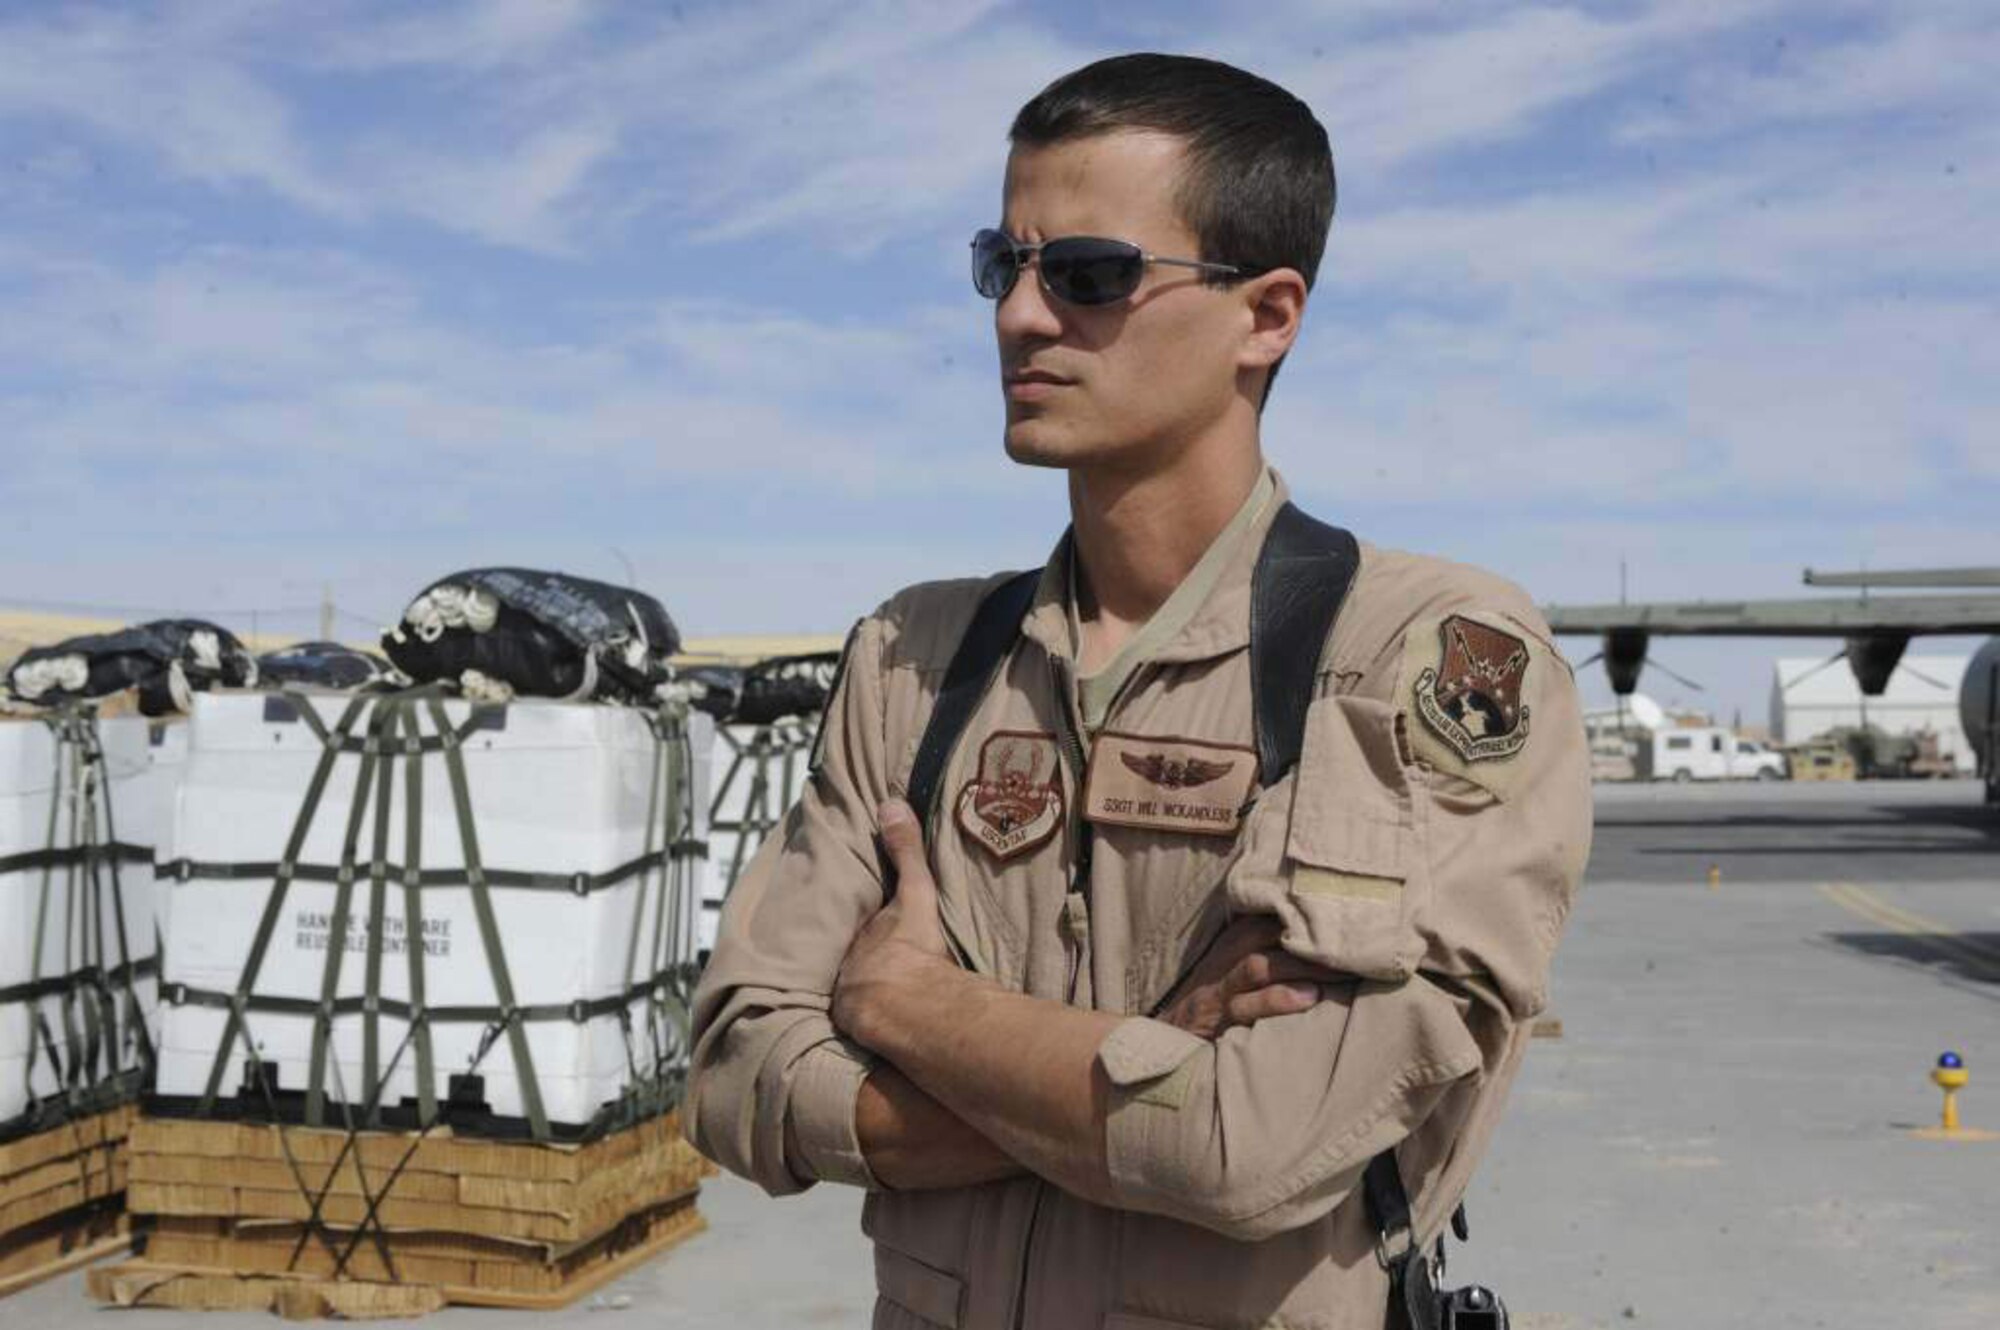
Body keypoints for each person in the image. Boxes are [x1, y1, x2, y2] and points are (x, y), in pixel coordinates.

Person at [687, 52, 1592, 1330]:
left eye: (1091, 274)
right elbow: (738, 1078)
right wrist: (1153, 1037)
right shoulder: (917, 658)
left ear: (1265, 315)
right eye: (1002, 267)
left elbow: (1254, 1145)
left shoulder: (1412, 657)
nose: (1018, 316)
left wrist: (911, 1005)